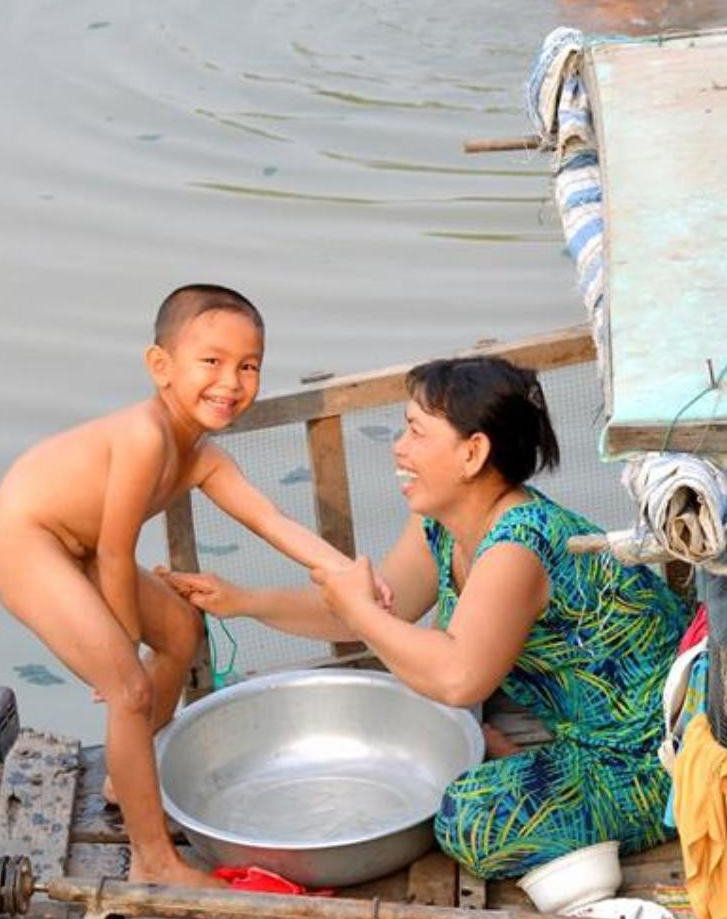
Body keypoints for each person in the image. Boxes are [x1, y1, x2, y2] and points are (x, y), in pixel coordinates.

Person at [161, 356, 686, 880]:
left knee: (470, 820)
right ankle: (513, 756)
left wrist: (360, 610)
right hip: (583, 729)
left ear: (473, 453)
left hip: (653, 754)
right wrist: (244, 601)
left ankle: (642, 812)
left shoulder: (520, 543)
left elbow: (458, 678)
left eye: (415, 432)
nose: (399, 447)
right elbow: (372, 610)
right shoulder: (441, 521)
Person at [0, 283, 358, 889]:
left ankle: (122, 775)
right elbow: (114, 548)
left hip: (81, 547)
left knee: (183, 629)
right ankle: (153, 858)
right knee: (126, 687)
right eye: (210, 362)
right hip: (30, 541)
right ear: (160, 367)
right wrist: (122, 645)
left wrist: (342, 571)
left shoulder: (203, 457)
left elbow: (272, 521)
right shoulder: (144, 437)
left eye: (248, 367)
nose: (230, 383)